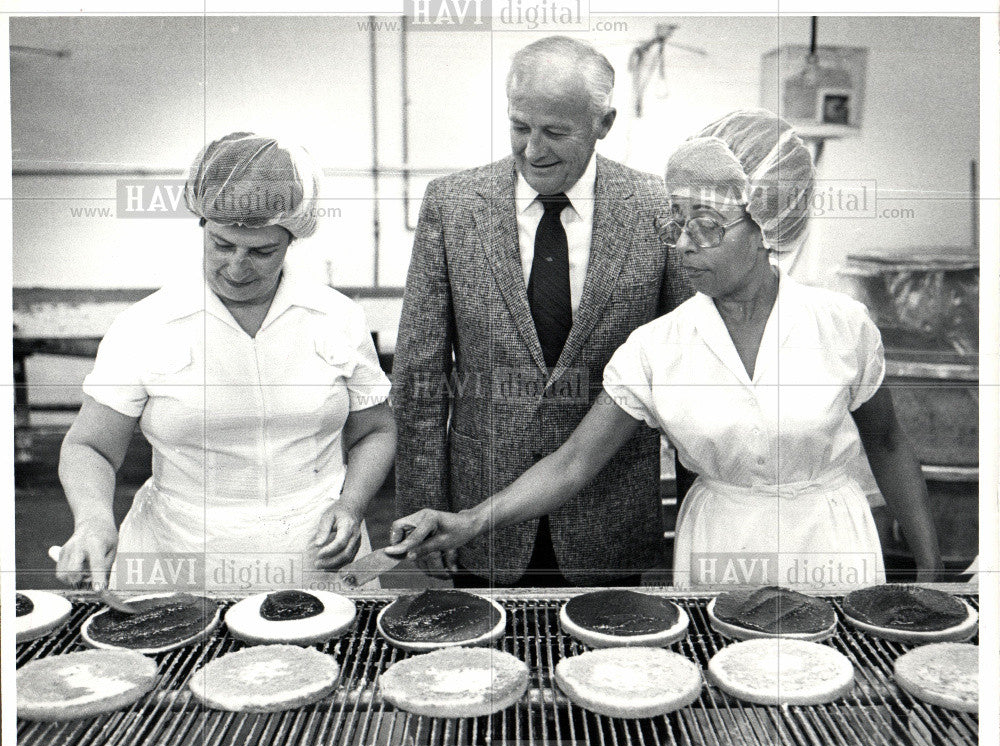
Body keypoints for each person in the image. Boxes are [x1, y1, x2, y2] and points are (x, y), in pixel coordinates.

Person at [390, 109, 944, 590]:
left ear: (767, 224)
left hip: (830, 543)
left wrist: (929, 570)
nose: (681, 243)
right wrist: (474, 520)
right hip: (719, 547)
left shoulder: (842, 326)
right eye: (676, 223)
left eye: (704, 226)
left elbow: (889, 445)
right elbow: (574, 463)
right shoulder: (656, 347)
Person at [392, 36, 692, 588]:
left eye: (555, 132)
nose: (533, 150)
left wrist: (696, 519)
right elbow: (420, 375)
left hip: (610, 518)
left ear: (604, 123)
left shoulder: (656, 209)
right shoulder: (453, 205)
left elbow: (688, 376)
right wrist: (422, 508)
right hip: (479, 521)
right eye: (519, 127)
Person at [56, 132, 396, 593]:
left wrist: (351, 504)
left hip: (313, 554)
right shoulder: (146, 324)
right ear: (202, 226)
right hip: (179, 557)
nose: (237, 267)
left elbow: (375, 429)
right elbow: (89, 447)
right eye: (222, 244)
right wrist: (94, 520)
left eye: (261, 251)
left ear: (291, 240)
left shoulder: (336, 317)